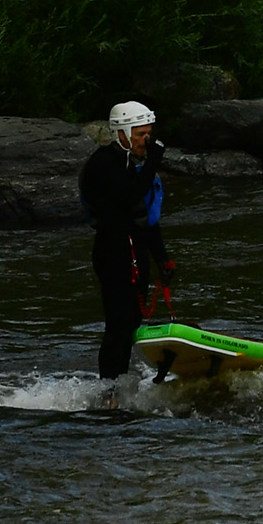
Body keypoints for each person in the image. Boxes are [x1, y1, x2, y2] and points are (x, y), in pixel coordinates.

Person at [79, 99, 170, 380]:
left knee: (132, 323)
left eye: (149, 134)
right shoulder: (103, 164)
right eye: (141, 134)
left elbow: (145, 218)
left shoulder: (132, 165)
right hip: (113, 255)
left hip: (135, 253)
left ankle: (120, 381)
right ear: (122, 134)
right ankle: (109, 388)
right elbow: (132, 196)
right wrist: (154, 161)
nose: (147, 141)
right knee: (117, 325)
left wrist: (162, 259)